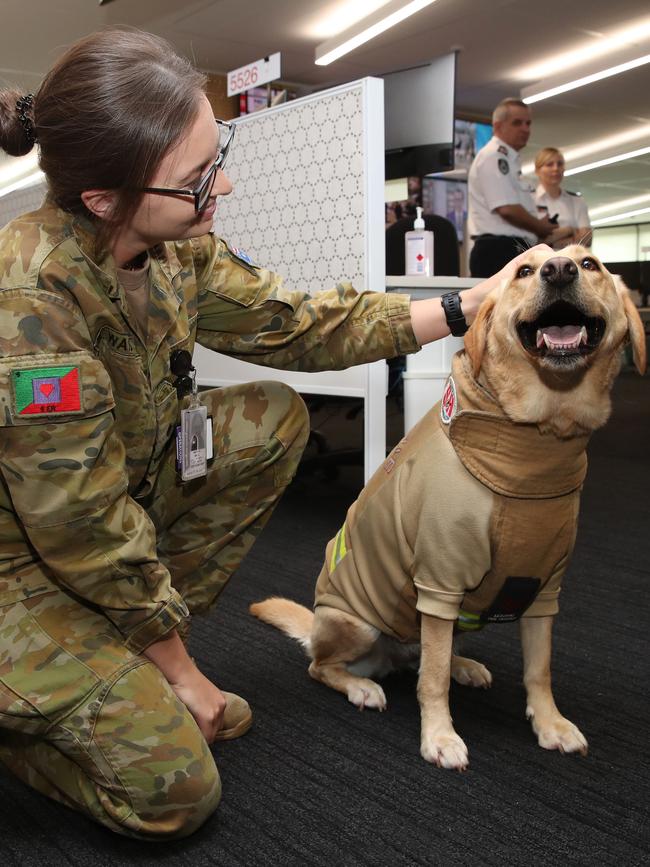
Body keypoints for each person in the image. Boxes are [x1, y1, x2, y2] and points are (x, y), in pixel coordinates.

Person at [0, 28, 546, 841]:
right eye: (197, 178)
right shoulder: (30, 297)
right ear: (105, 199)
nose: (221, 185)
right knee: (177, 790)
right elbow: (77, 522)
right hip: (24, 570)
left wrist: (470, 304)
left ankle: (124, 648)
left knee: (268, 419)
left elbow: (302, 326)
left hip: (105, 521)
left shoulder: (174, 249)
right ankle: (31, 722)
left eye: (215, 154)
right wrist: (182, 673)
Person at [468, 98, 573, 277]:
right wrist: (540, 227)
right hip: (498, 250)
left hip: (512, 248)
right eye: (517, 123)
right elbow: (506, 209)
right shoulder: (494, 157)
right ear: (498, 126)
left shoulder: (510, 160)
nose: (525, 129)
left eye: (528, 123)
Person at [534, 146, 592, 248]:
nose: (556, 168)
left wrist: (551, 242)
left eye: (559, 164)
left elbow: (587, 240)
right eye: (549, 164)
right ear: (537, 170)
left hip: (570, 260)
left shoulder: (576, 201)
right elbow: (531, 241)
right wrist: (569, 230)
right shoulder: (528, 200)